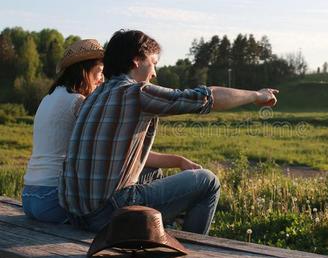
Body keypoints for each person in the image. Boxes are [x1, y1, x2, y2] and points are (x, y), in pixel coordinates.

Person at [58, 29, 278, 234]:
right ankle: (194, 256)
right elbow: (206, 97)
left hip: (75, 214)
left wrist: (177, 160)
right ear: (136, 60)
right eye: (152, 62)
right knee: (207, 181)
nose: (154, 72)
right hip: (106, 216)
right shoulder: (136, 93)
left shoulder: (94, 96)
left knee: (153, 173)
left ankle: (160, 231)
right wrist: (256, 96)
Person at [22, 39, 104, 223]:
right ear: (84, 71)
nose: (102, 79)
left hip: (28, 196)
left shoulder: (47, 98)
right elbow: (98, 149)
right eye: (99, 72)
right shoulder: (79, 102)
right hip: (53, 198)